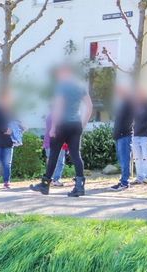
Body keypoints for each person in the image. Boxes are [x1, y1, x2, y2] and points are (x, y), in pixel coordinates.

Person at [31, 64, 92, 197]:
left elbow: (58, 107)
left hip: (62, 124)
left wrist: (53, 127)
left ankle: (45, 185)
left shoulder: (62, 86)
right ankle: (80, 187)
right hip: (76, 124)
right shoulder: (81, 86)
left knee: (53, 154)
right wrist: (83, 124)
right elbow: (89, 106)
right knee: (76, 154)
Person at [110, 83, 134, 191]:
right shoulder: (123, 103)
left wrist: (121, 132)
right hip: (120, 136)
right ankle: (123, 180)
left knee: (125, 159)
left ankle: (125, 182)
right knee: (122, 159)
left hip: (125, 135)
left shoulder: (129, 102)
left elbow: (128, 121)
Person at [132, 86, 147, 185]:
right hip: (135, 135)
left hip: (145, 135)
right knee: (137, 157)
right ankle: (140, 177)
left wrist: (145, 126)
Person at [42, 112, 67, 187]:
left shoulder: (49, 115)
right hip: (57, 141)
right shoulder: (60, 115)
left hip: (48, 141)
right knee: (60, 162)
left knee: (50, 161)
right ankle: (55, 179)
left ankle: (49, 178)